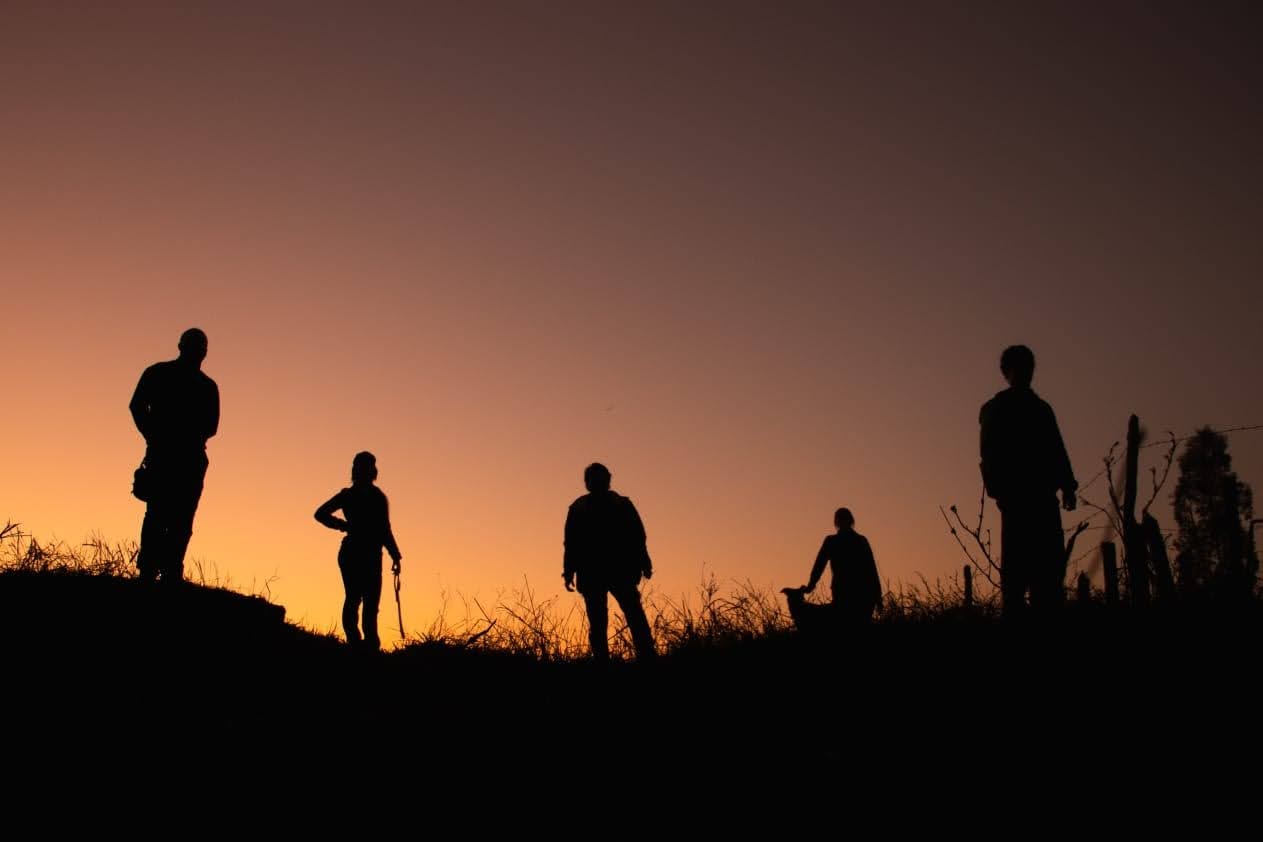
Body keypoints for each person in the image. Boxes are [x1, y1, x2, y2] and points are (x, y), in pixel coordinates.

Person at [979, 344, 1078, 617]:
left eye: (1027, 367)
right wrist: (999, 489)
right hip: (1016, 502)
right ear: (1006, 372)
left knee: (1047, 575)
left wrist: (1068, 485)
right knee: (1015, 576)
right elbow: (989, 453)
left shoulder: (1041, 409)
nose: (1024, 373)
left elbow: (1056, 448)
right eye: (1017, 367)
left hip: (1043, 500)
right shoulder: (995, 409)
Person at [129, 328, 219, 585]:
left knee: (172, 514)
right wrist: (154, 436)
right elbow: (136, 406)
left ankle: (164, 571)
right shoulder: (163, 374)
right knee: (165, 514)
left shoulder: (202, 385)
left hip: (181, 457)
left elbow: (211, 427)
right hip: (171, 455)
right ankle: (155, 571)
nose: (198, 353)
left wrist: (155, 435)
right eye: (196, 347)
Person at [563, 463, 655, 661]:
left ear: (607, 479)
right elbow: (571, 542)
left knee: (633, 616)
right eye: (593, 479)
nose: (597, 482)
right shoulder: (579, 508)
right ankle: (604, 662)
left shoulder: (621, 504)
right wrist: (568, 571)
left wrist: (644, 561)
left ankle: (647, 657)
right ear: (587, 483)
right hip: (595, 573)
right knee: (600, 621)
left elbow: (638, 536)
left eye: (600, 478)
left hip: (619, 570)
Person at [315, 452, 403, 650]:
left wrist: (395, 554)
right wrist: (343, 526)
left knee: (367, 602)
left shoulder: (375, 497)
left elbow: (384, 529)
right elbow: (320, 514)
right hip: (355, 553)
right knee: (356, 598)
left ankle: (369, 644)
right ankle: (356, 643)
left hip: (369, 554)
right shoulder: (351, 495)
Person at [799, 507, 882, 623]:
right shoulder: (860, 541)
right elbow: (872, 571)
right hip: (862, 594)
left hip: (847, 593)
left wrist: (811, 585)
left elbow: (819, 566)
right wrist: (878, 597)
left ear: (836, 522)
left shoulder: (832, 541)